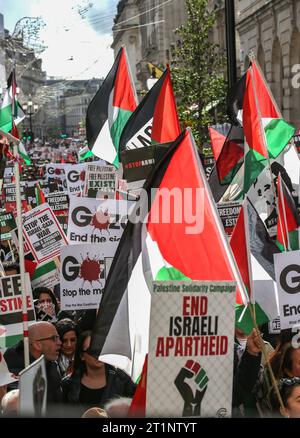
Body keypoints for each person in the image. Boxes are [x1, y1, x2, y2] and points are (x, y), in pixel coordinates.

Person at [62, 331, 136, 417]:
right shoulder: (68, 385)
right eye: (91, 350)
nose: (97, 353)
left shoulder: (122, 380)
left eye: (100, 348)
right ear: (82, 356)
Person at [4, 321, 64, 414]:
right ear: (37, 345)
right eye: (54, 338)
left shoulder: (52, 364)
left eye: (58, 337)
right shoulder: (15, 371)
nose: (60, 342)